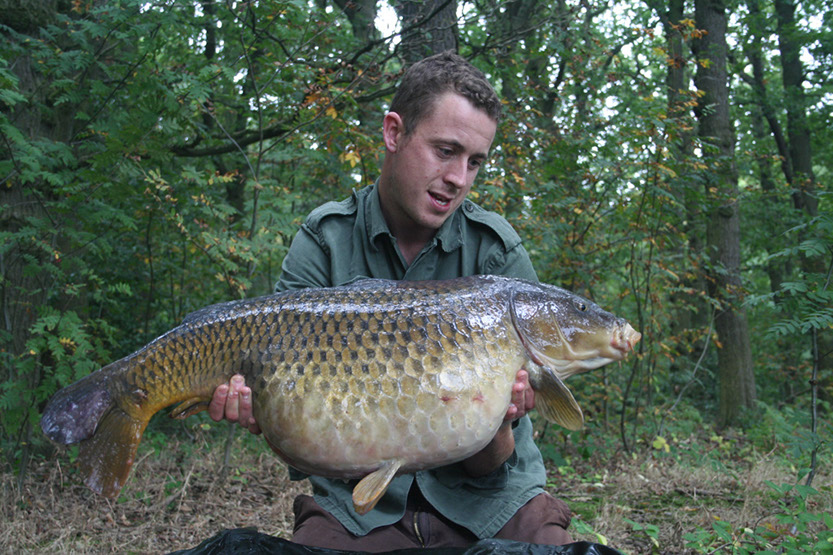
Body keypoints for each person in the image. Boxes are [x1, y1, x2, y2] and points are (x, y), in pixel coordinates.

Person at [208, 51, 573, 550]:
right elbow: (301, 441)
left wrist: (498, 418)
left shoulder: (497, 252)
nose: (459, 178)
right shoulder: (325, 240)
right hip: (359, 508)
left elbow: (495, 461)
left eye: (475, 161)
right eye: (446, 150)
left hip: (488, 500)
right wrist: (266, 411)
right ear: (393, 133)